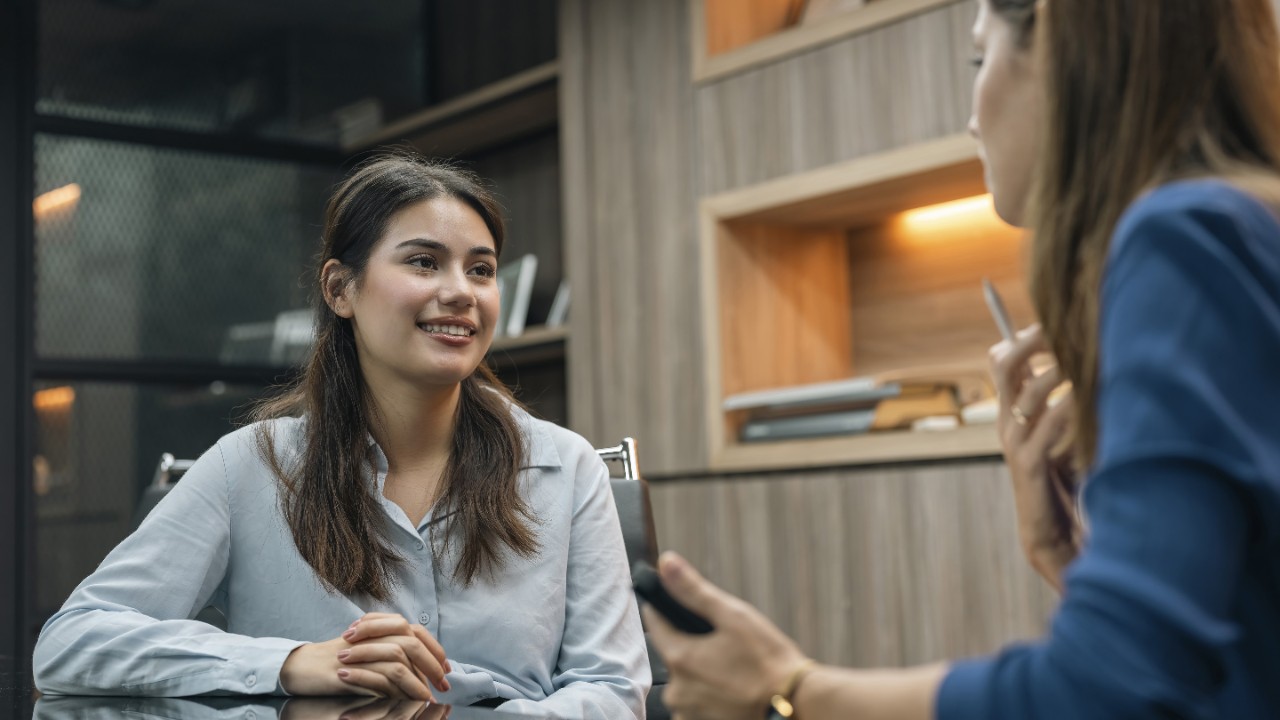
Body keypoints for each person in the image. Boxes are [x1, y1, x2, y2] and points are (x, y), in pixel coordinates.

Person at [645, 0, 1280, 717]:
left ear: (1062, 49)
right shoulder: (1235, 225)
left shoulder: (1182, 237)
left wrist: (790, 688)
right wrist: (1064, 558)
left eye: (980, 59)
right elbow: (1208, 668)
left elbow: (1110, 693)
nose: (971, 115)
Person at [33, 155, 650, 719]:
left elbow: (612, 687)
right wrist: (289, 662)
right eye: (423, 261)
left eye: (481, 269)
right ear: (340, 289)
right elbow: (73, 640)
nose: (462, 291)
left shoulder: (567, 467)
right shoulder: (251, 466)